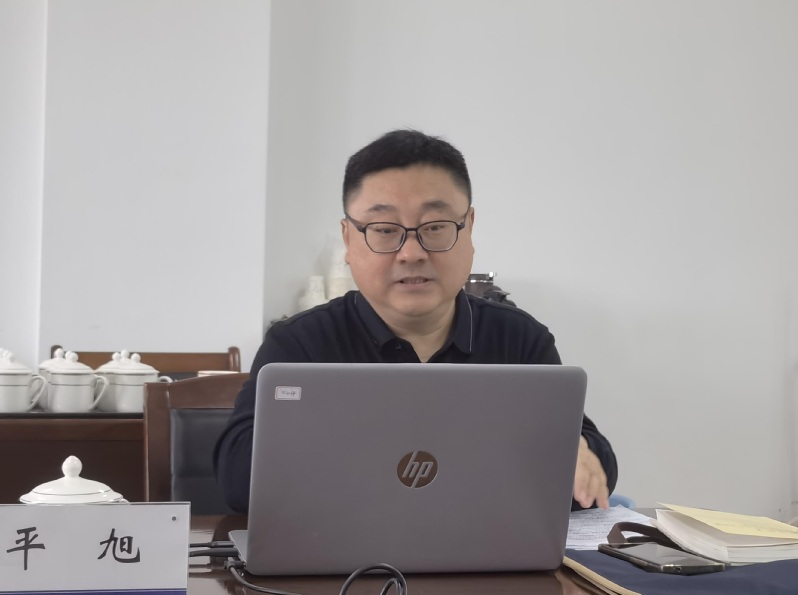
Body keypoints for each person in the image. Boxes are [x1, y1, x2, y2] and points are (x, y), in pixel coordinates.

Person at [214, 129, 617, 513]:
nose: (411, 253)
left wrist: (578, 453)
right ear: (348, 239)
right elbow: (237, 479)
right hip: (340, 555)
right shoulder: (298, 345)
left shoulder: (519, 339)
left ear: (469, 229)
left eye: (435, 227)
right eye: (385, 229)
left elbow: (594, 465)